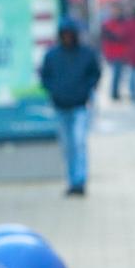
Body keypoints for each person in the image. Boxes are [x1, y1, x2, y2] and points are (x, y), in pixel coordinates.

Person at [40, 17, 102, 196]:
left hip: (79, 105)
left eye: (70, 34)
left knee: (79, 142)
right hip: (61, 106)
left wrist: (87, 90)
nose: (67, 38)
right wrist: (54, 92)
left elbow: (95, 73)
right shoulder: (52, 55)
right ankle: (71, 180)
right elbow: (45, 76)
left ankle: (80, 181)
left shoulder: (86, 53)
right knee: (68, 146)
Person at [101, 4, 128, 101]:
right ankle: (114, 93)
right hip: (112, 52)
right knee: (116, 73)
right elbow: (112, 36)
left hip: (121, 52)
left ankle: (116, 92)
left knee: (118, 74)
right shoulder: (108, 23)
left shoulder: (123, 23)